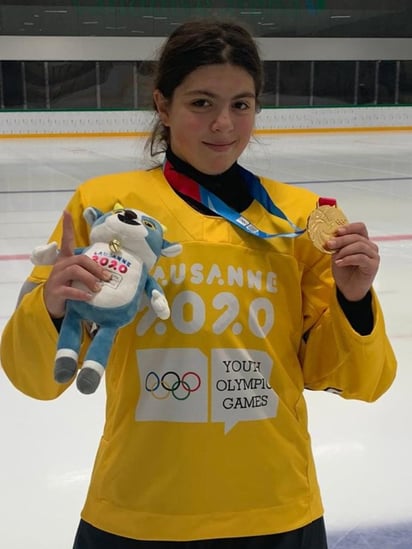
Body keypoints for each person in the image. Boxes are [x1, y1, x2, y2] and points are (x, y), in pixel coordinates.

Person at [0, 19, 397, 549]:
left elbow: (359, 382)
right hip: (140, 506)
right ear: (163, 107)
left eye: (241, 104)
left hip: (275, 505)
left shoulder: (304, 218)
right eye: (202, 103)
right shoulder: (109, 208)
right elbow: (34, 378)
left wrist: (354, 299)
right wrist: (51, 306)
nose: (224, 125)